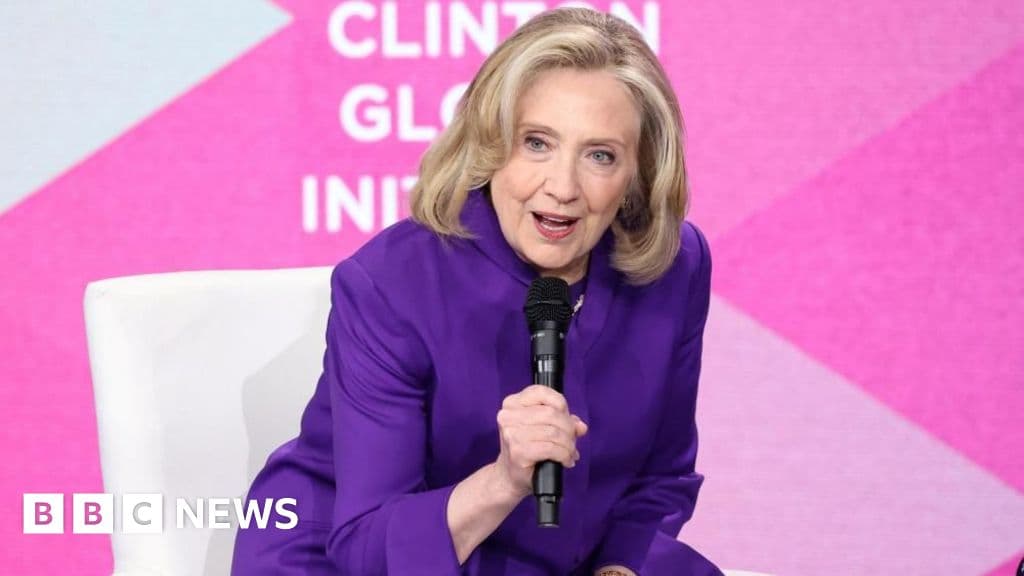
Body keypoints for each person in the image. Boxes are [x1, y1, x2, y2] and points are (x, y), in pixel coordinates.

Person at [232, 7, 721, 575]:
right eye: (536, 143)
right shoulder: (394, 283)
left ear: (638, 172)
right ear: (490, 143)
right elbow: (365, 543)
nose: (562, 187)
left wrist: (619, 568)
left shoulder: (674, 267)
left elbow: (661, 478)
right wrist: (505, 479)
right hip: (360, 557)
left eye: (599, 156)